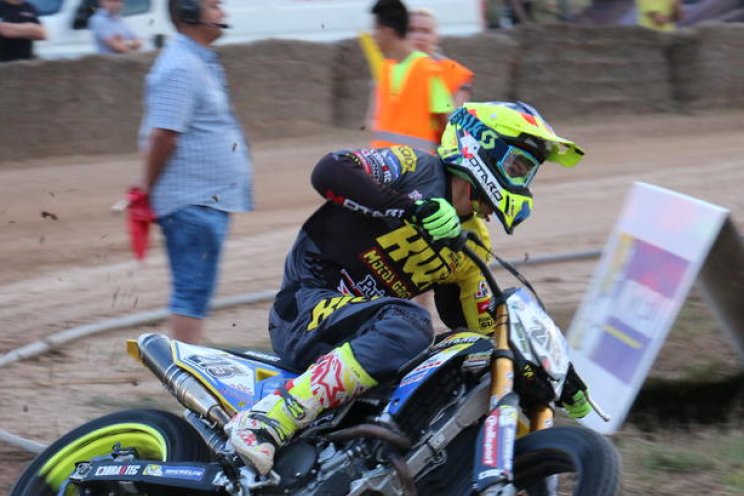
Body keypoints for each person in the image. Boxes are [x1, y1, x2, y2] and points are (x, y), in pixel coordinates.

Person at [227, 101, 592, 475]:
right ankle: (268, 418)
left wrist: (554, 375)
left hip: (365, 335)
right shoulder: (416, 167)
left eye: (527, 174)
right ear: (484, 145)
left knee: (463, 360)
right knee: (412, 323)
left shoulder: (472, 243)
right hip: (308, 305)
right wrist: (409, 208)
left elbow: (486, 330)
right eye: (519, 167)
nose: (522, 182)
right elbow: (330, 170)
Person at [133, 0, 252, 345]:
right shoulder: (182, 66)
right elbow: (163, 135)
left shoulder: (199, 62)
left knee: (195, 293)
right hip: (192, 201)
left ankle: (192, 369)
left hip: (203, 199)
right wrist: (148, 186)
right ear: (187, 12)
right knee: (192, 293)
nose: (223, 14)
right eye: (214, 6)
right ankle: (189, 380)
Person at [368, 0, 454, 153]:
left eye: (375, 29)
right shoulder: (385, 69)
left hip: (417, 170)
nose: (372, 35)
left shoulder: (428, 70)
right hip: (383, 166)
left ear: (388, 32)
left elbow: (446, 125)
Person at [408, 7, 473, 107]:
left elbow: (455, 117)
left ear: (436, 37)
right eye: (411, 30)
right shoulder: (391, 69)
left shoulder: (455, 72)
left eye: (425, 31)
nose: (419, 37)